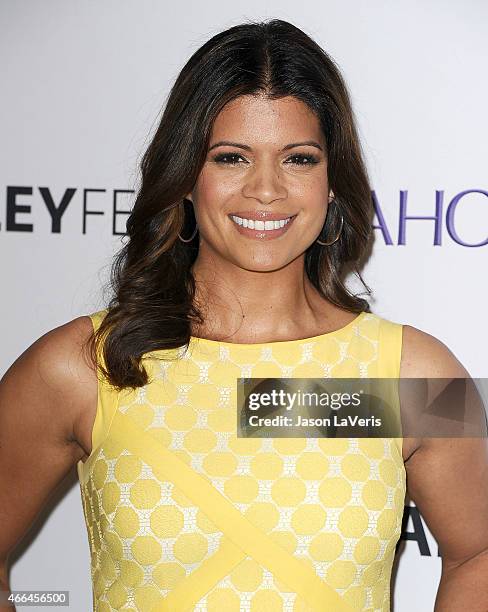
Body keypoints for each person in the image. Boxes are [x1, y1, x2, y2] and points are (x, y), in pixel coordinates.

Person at [1, 18, 487, 612]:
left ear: (333, 181)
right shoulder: (84, 366)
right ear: (184, 176)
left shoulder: (415, 374)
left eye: (299, 159)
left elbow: (477, 554)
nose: (266, 190)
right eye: (231, 157)